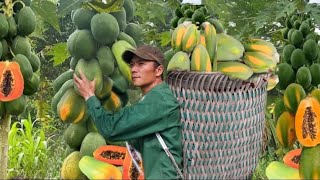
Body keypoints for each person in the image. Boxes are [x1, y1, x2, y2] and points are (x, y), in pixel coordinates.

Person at [73, 45, 183, 179]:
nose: (134, 69)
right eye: (132, 65)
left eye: (141, 64)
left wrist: (90, 97)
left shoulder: (159, 101)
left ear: (158, 70)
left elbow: (110, 129)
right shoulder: (153, 98)